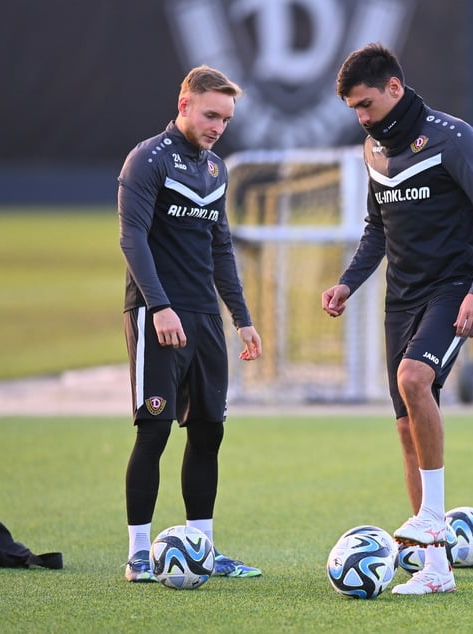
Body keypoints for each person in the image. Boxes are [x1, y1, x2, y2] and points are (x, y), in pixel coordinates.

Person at [322, 43, 473, 595]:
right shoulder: (373, 150)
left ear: (394, 89)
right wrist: (347, 283)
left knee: (413, 379)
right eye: (353, 109)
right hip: (400, 300)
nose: (361, 116)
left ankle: (432, 521)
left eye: (366, 104)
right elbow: (377, 228)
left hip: (454, 289)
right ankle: (436, 570)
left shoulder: (454, 138)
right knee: (406, 427)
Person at [117, 65, 263, 582]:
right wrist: (159, 307)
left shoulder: (215, 171)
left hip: (203, 320)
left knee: (208, 434)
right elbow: (131, 238)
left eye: (225, 118)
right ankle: (139, 554)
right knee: (154, 431)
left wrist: (241, 319)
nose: (218, 126)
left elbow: (220, 247)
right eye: (210, 114)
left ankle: (201, 546)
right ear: (184, 105)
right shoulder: (146, 160)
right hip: (157, 314)